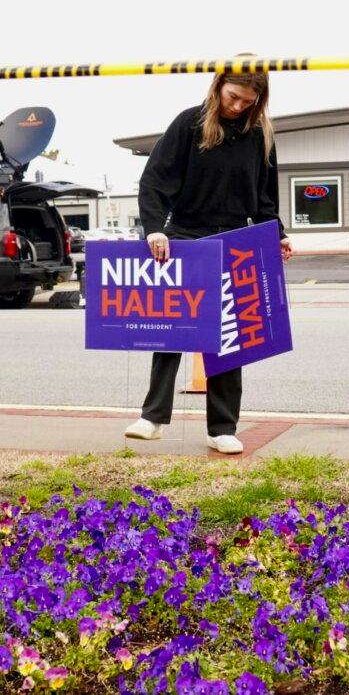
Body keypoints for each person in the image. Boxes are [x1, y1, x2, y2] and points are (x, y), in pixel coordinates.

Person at [123, 66, 293, 454]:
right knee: (172, 327)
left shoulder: (260, 136)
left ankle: (222, 429)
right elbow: (154, 180)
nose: (237, 107)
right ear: (218, 86)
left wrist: (276, 234)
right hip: (184, 233)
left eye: (248, 102)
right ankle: (152, 418)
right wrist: (154, 228)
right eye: (233, 97)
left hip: (235, 238)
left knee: (229, 334)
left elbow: (265, 198)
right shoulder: (189, 124)